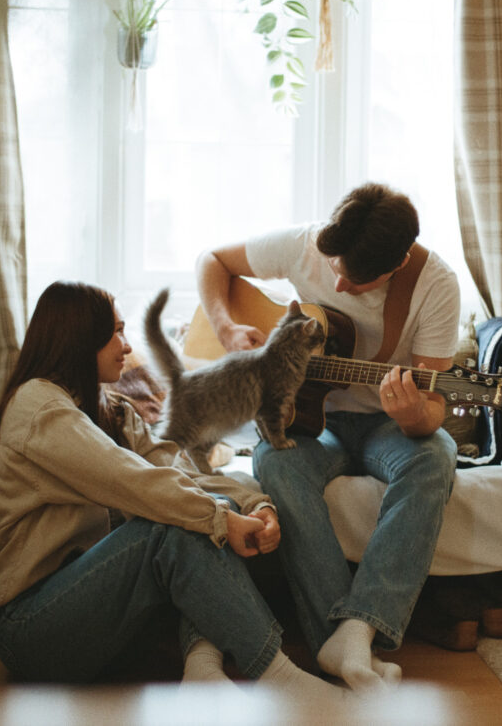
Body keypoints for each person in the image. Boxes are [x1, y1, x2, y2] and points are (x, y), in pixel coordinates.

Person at [0, 280, 349, 701]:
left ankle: (202, 667)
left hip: (101, 617)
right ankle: (281, 678)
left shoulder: (110, 409)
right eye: (115, 332)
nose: (125, 344)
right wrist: (221, 519)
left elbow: (180, 470)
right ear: (81, 337)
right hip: (32, 629)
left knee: (197, 506)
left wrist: (254, 502)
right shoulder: (38, 407)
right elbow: (130, 480)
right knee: (174, 521)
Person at [196, 182, 460, 691]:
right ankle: (343, 645)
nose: (338, 287)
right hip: (314, 424)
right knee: (273, 462)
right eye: (336, 269)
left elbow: (433, 408)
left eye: (357, 282)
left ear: (399, 262)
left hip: (386, 425)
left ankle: (357, 629)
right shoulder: (303, 244)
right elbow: (212, 260)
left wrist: (412, 417)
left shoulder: (435, 285)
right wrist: (227, 328)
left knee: (435, 454)